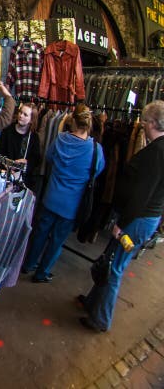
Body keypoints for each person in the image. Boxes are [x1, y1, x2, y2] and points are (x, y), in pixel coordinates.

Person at [78, 100, 164, 332]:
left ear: (154, 123)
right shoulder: (159, 148)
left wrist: (121, 225)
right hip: (145, 219)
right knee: (112, 260)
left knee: (115, 266)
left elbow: (142, 194)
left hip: (138, 221)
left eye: (145, 121)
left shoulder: (157, 152)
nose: (143, 126)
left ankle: (101, 319)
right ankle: (94, 302)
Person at [22, 104, 105, 283]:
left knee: (40, 234)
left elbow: (50, 158)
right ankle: (42, 273)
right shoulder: (95, 150)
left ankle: (28, 264)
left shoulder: (60, 139)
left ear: (72, 121)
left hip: (51, 197)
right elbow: (97, 171)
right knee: (56, 241)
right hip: (71, 205)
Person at [0, 102, 42, 192]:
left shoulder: (33, 137)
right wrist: (6, 166)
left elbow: (36, 159)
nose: (21, 116)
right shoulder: (8, 130)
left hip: (21, 181)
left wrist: (27, 162)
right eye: (20, 112)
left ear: (31, 120)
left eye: (25, 115)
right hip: (4, 176)